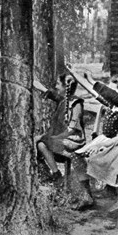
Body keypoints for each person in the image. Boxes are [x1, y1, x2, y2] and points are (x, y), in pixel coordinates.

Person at [33, 73, 94, 210]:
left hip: (73, 140)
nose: (55, 86)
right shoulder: (64, 100)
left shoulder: (76, 104)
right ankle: (56, 176)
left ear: (65, 87)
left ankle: (86, 195)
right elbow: (53, 95)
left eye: (57, 84)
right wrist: (39, 86)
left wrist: (51, 137)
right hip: (63, 139)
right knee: (41, 145)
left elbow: (72, 130)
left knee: (43, 141)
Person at [71, 71, 118, 201]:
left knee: (95, 158)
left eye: (112, 91)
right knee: (82, 156)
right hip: (113, 141)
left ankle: (115, 192)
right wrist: (75, 73)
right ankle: (87, 193)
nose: (108, 94)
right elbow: (93, 90)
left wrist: (102, 145)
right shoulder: (114, 105)